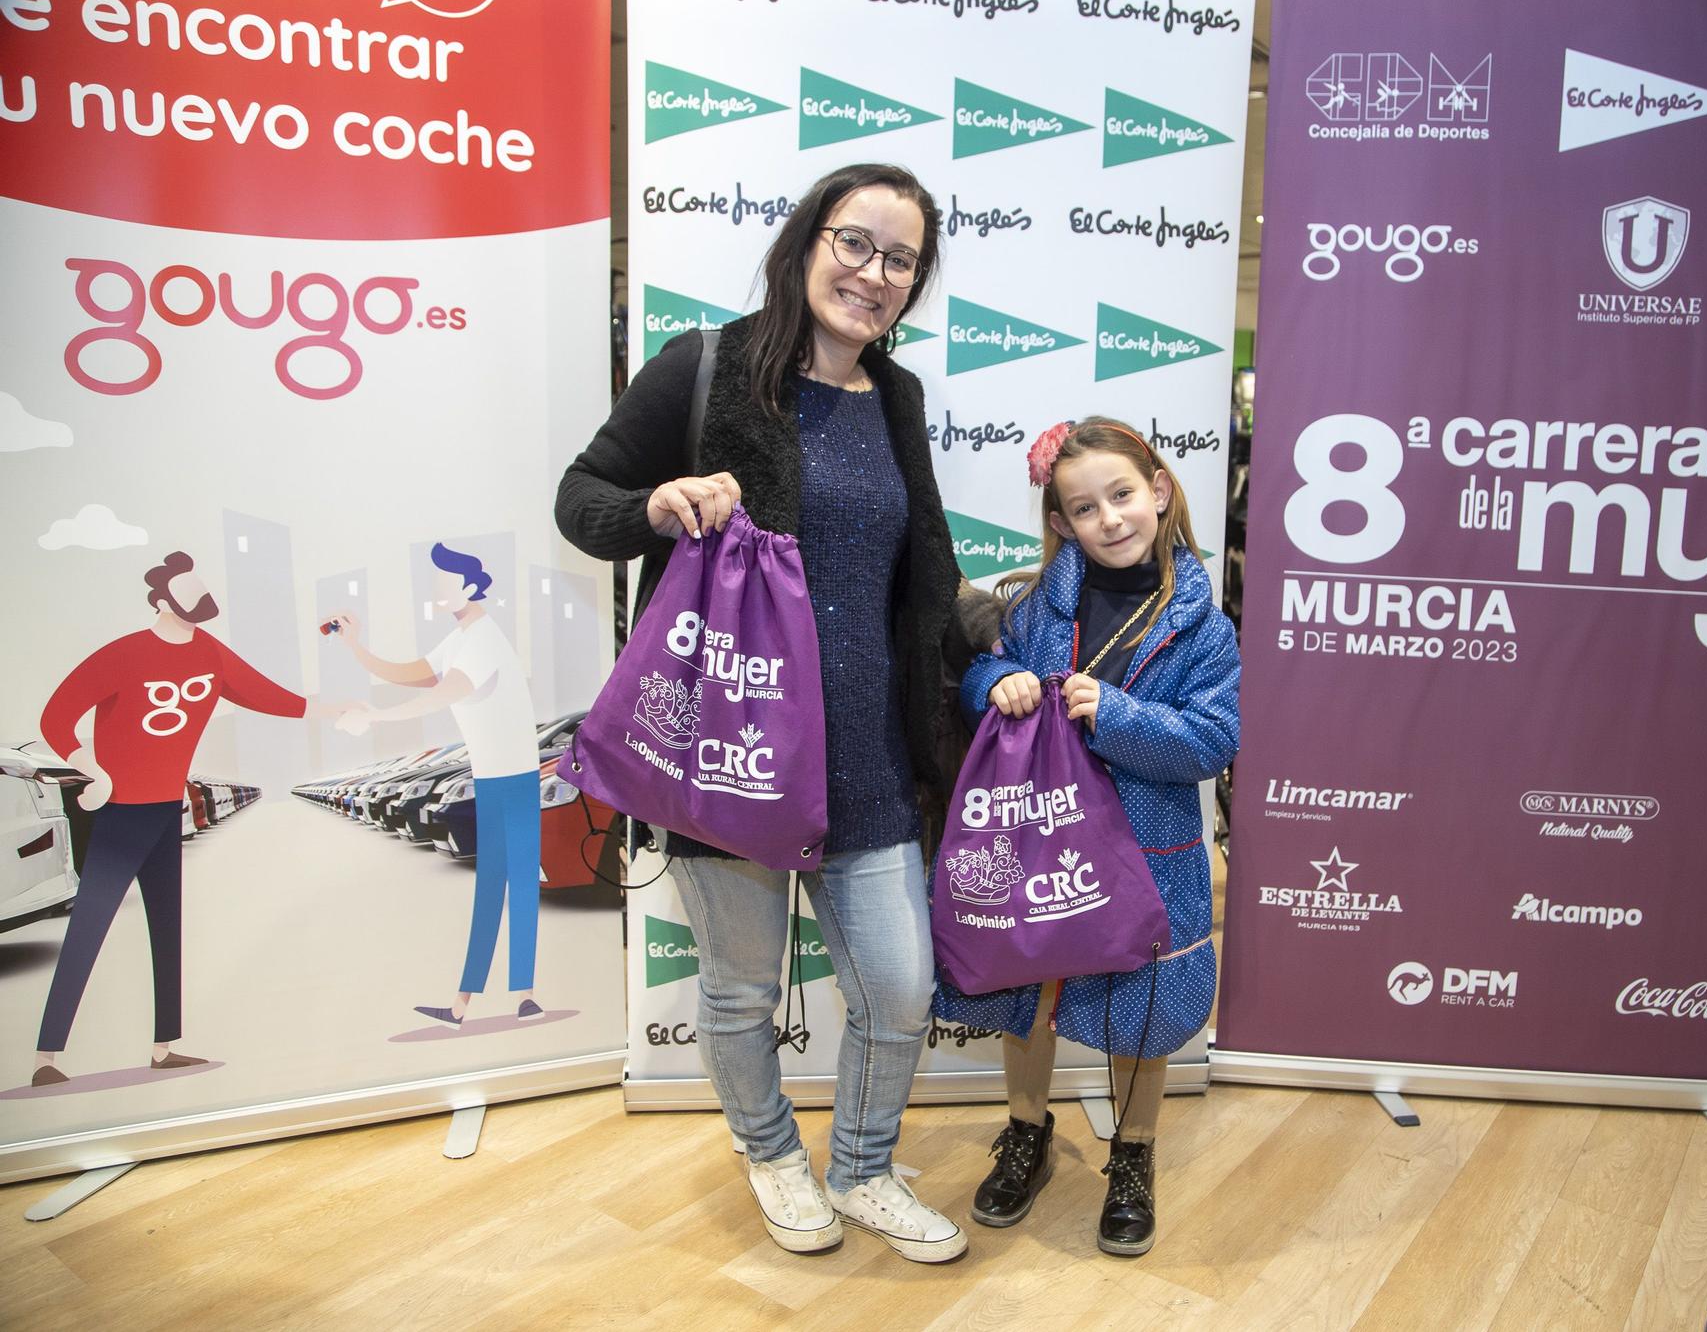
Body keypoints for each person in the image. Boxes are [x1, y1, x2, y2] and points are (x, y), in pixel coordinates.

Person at [554, 163, 967, 1262]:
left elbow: (915, 574)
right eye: (854, 242)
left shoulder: (900, 397)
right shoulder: (705, 366)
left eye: (899, 259)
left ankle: (866, 1166)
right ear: (804, 242)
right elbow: (580, 500)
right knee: (737, 991)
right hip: (727, 753)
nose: (872, 274)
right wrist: (654, 503)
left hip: (868, 756)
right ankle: (772, 1150)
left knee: (897, 984)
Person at [937, 417, 1241, 1257]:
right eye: (1084, 507)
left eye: (1122, 495)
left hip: (1149, 852)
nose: (1109, 518)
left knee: (1144, 1009)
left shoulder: (1203, 628)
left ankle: (1134, 1154)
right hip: (1045, 841)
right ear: (1061, 522)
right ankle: (1027, 1131)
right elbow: (977, 672)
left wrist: (1119, 714)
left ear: (1160, 491)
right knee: (1028, 989)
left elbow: (1213, 741)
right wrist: (999, 682)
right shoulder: (1039, 604)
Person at [32, 552, 353, 1086]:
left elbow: (262, 693)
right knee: (90, 926)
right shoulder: (125, 654)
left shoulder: (209, 653)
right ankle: (47, 1057)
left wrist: (325, 709)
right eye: (189, 599)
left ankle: (163, 1048)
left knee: (167, 929)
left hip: (164, 809)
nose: (200, 608)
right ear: (161, 601)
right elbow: (56, 715)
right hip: (119, 812)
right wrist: (91, 767)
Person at [327, 544, 546, 1027]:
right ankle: (475, 1002)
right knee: (496, 882)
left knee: (517, 882)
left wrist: (377, 716)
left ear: (468, 588)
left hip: (516, 776)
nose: (437, 591)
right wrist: (354, 644)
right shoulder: (460, 637)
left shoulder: (485, 638)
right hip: (492, 777)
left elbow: (448, 692)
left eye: (445, 583)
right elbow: (410, 674)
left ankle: (518, 996)